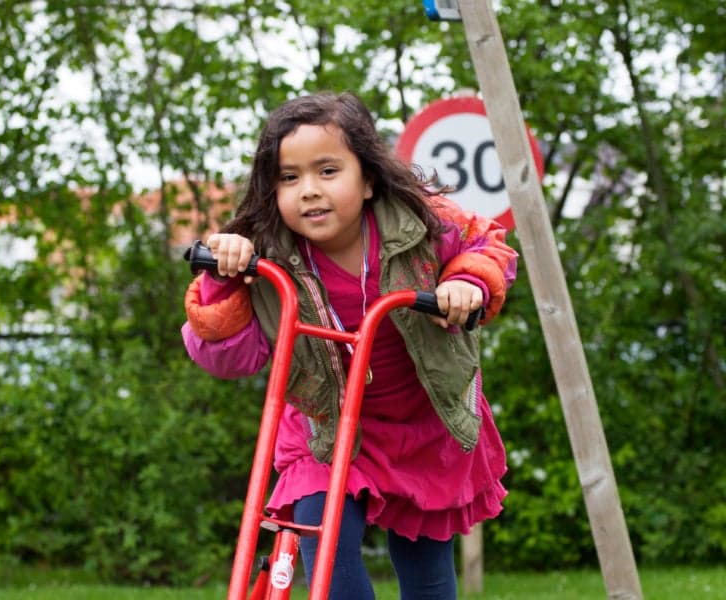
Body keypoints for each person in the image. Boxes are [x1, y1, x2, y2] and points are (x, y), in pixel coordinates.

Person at [181, 91, 517, 599]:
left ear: (368, 179)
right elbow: (231, 358)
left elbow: (485, 244)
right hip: (326, 427)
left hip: (423, 424)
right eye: (289, 177)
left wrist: (467, 283)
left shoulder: (419, 221)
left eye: (327, 171)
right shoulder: (264, 256)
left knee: (426, 572)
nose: (309, 191)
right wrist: (222, 280)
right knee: (325, 547)